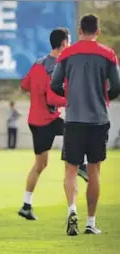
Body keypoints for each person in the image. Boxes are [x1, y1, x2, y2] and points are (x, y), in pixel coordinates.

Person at [51, 14, 120, 236]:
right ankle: (91, 223)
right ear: (98, 32)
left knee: (71, 169)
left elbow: (54, 84)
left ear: (80, 30)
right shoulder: (109, 54)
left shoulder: (67, 54)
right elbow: (117, 86)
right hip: (98, 120)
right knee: (94, 171)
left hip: (73, 120)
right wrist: (104, 97)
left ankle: (72, 210)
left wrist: (70, 96)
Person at [18, 28, 88, 221]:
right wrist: (70, 100)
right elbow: (52, 98)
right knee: (73, 129)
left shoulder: (38, 63)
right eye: (70, 41)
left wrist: (37, 97)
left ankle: (26, 205)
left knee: (40, 165)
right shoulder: (58, 66)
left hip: (35, 121)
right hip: (47, 121)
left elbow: (24, 85)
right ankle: (81, 164)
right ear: (64, 43)